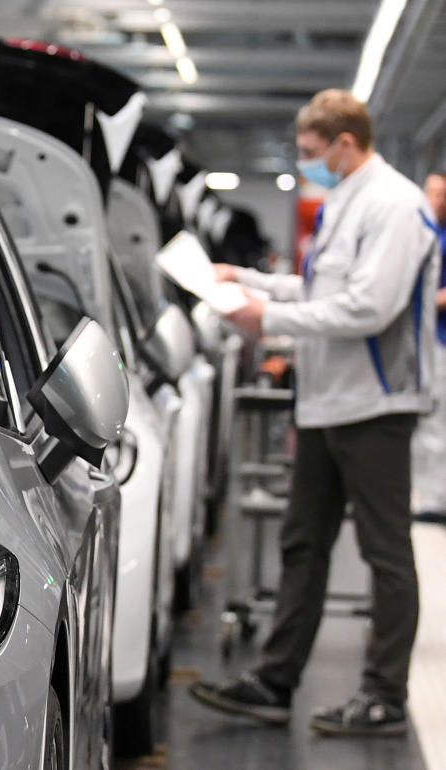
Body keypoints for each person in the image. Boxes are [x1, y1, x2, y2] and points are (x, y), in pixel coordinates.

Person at [188, 89, 439, 737]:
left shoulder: (394, 205)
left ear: (344, 142)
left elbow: (369, 308)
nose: (304, 164)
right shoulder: (344, 201)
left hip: (375, 404)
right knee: (301, 543)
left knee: (384, 552)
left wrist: (265, 318)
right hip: (326, 401)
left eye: (308, 152)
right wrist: (247, 283)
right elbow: (322, 291)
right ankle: (274, 680)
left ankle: (383, 695)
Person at [412, 171, 446, 522]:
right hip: (426, 340)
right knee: (427, 421)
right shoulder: (427, 233)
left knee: (438, 423)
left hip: (442, 340)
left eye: (439, 193)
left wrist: (426, 299)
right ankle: (426, 494)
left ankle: (437, 502)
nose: (432, 199)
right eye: (430, 191)